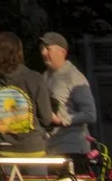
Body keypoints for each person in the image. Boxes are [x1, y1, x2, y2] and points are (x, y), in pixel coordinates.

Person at [0, 32, 48, 155]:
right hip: (33, 149)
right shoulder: (34, 78)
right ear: (19, 51)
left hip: (3, 150)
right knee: (37, 176)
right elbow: (46, 119)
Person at [40, 32, 98, 160]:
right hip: (49, 149)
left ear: (62, 51)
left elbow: (90, 114)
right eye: (42, 48)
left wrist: (62, 120)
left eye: (48, 48)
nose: (43, 53)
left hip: (72, 150)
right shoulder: (45, 76)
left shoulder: (74, 77)